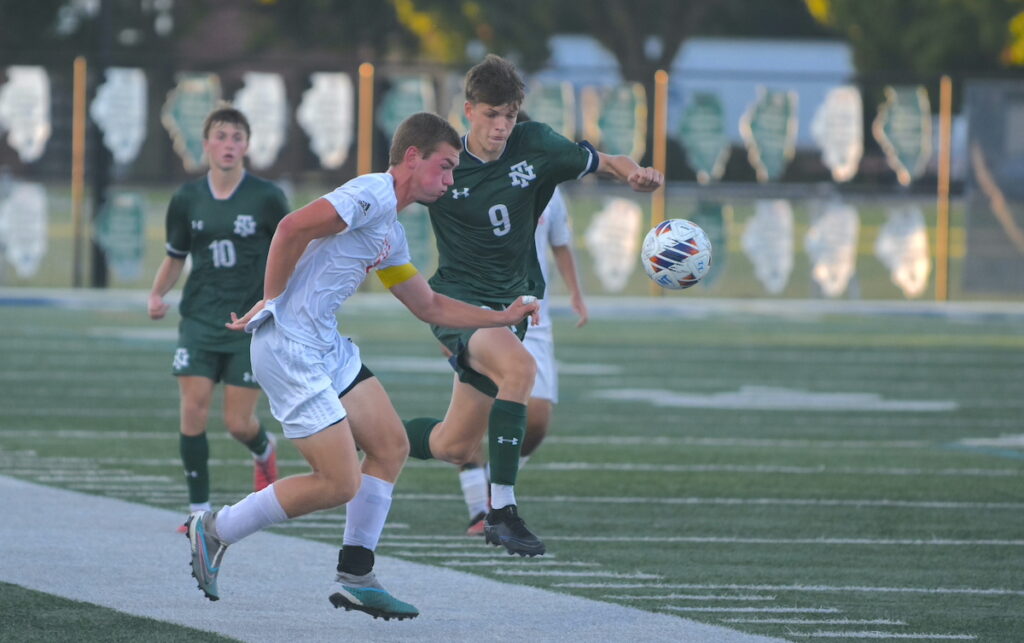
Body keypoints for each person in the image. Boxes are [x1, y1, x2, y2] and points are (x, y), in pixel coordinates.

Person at [183, 112, 539, 621]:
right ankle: (217, 529)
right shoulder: (371, 193)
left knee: (391, 446)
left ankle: (356, 576)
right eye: (444, 166)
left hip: (325, 345)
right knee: (338, 482)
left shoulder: (390, 229)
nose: (450, 179)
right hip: (290, 349)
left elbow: (429, 306)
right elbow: (291, 228)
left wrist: (501, 316)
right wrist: (273, 301)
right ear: (412, 158)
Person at [402, 54, 662, 557]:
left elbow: (609, 161)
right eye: (491, 114)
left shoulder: (536, 144)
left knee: (454, 445)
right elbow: (385, 196)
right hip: (459, 303)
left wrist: (635, 175)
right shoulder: (443, 161)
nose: (501, 126)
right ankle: (501, 512)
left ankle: (368, 434)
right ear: (468, 110)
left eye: (509, 115)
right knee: (521, 370)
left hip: (514, 306)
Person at [148, 106, 288, 526]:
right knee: (192, 410)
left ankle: (264, 449)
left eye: (237, 137)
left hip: (249, 323)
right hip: (199, 319)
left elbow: (291, 248)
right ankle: (198, 512)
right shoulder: (186, 198)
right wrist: (157, 293)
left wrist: (279, 302)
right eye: (221, 136)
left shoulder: (266, 197)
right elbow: (175, 256)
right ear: (206, 143)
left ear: (247, 146)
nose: (229, 145)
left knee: (238, 423)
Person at [460, 185, 588, 536]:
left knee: (538, 419)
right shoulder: (472, 180)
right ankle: (480, 507)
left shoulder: (550, 188)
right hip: (481, 310)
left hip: (534, 316)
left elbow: (559, 243)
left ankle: (493, 482)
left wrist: (576, 293)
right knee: (468, 424)